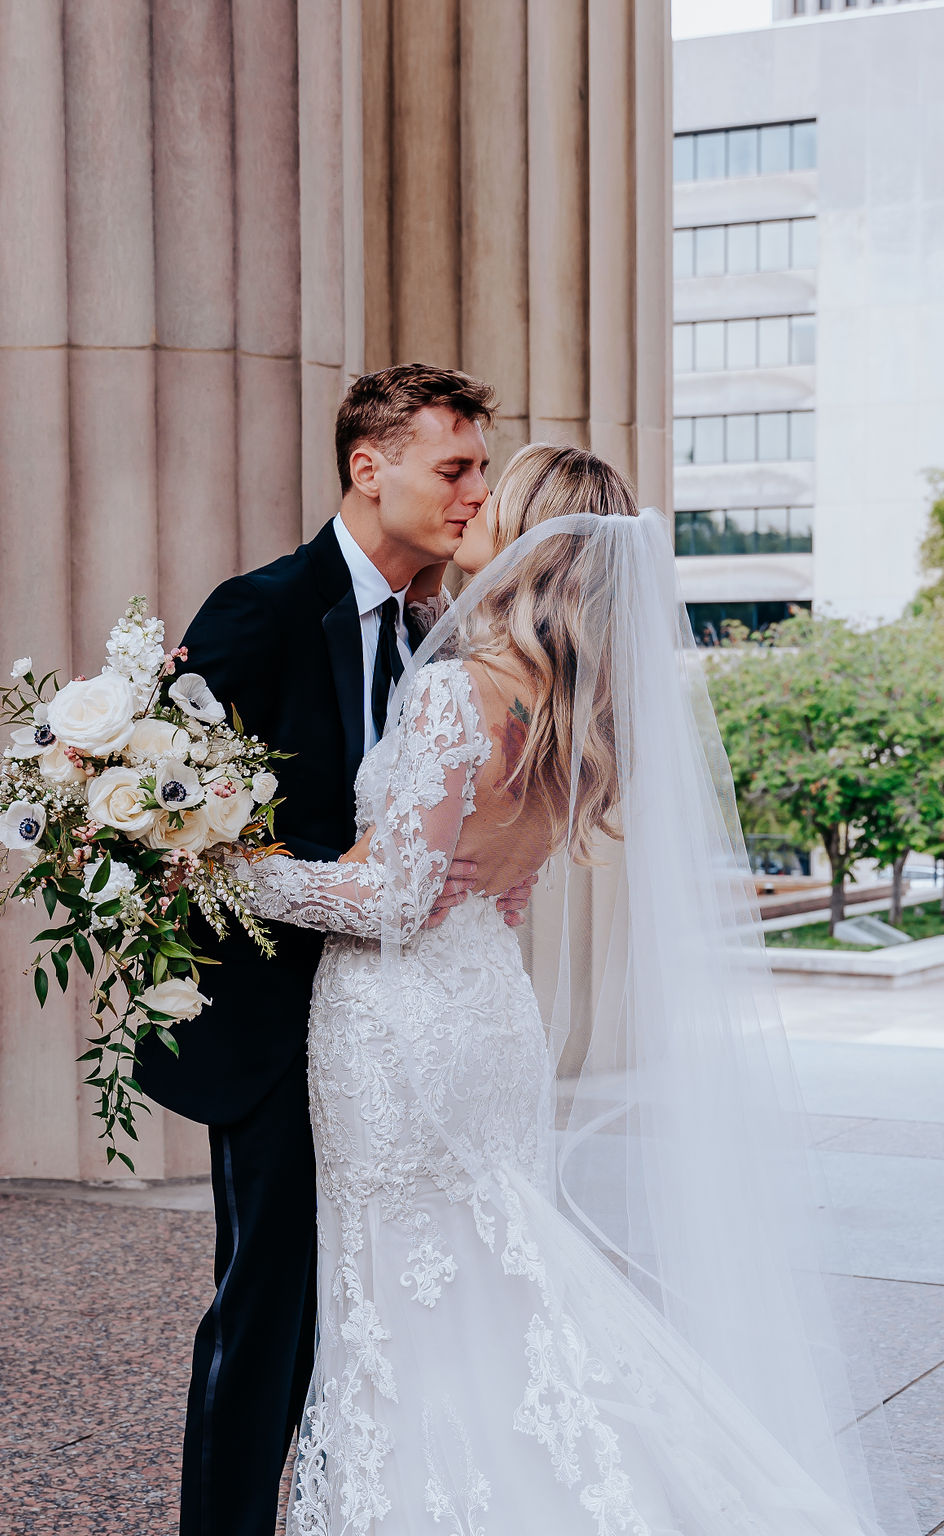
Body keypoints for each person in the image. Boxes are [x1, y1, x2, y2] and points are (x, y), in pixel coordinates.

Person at [231, 443, 913, 1534]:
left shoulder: (460, 687)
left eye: (492, 498)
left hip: (400, 1018)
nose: (473, 508)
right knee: (494, 1263)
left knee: (413, 1280)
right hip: (488, 1011)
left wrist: (223, 867)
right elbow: (494, 875)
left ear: (534, 536)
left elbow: (388, 903)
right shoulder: (577, 707)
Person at [135, 365, 534, 1536]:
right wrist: (376, 885)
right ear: (372, 466)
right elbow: (174, 827)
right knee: (267, 1309)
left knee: (386, 1301)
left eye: (478, 472)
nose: (472, 496)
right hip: (277, 1028)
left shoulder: (448, 636)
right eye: (453, 468)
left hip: (402, 1031)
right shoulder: (258, 610)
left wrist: (476, 879)